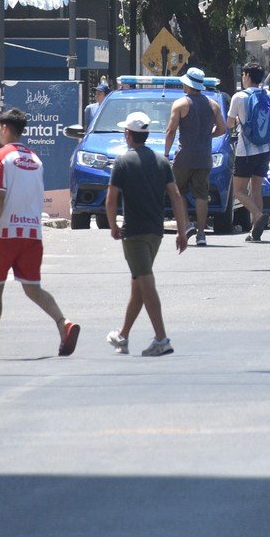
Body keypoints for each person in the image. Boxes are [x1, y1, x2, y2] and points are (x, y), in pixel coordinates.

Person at [0, 108, 81, 360]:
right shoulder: (35, 158)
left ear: (5, 128)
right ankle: (63, 323)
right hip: (32, 233)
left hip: (5, 234)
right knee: (33, 288)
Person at [105, 111, 190, 356]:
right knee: (138, 285)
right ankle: (123, 336)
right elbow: (176, 196)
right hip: (155, 232)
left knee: (146, 283)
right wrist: (182, 231)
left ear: (128, 135)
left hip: (134, 233)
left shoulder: (122, 162)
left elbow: (111, 199)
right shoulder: (161, 162)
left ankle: (162, 338)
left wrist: (112, 225)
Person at [163, 66, 225, 247]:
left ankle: (187, 223)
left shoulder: (180, 104)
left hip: (184, 157)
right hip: (204, 157)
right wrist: (208, 134)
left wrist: (166, 154)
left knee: (177, 191)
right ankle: (201, 234)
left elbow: (170, 131)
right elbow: (221, 128)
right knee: (201, 195)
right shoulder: (213, 105)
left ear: (187, 85)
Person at [227, 62, 270, 241]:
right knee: (256, 190)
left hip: (246, 151)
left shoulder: (239, 97)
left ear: (246, 75)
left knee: (238, 191)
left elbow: (230, 124)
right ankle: (255, 231)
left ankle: (258, 215)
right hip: (265, 149)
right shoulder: (266, 94)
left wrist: (238, 119)